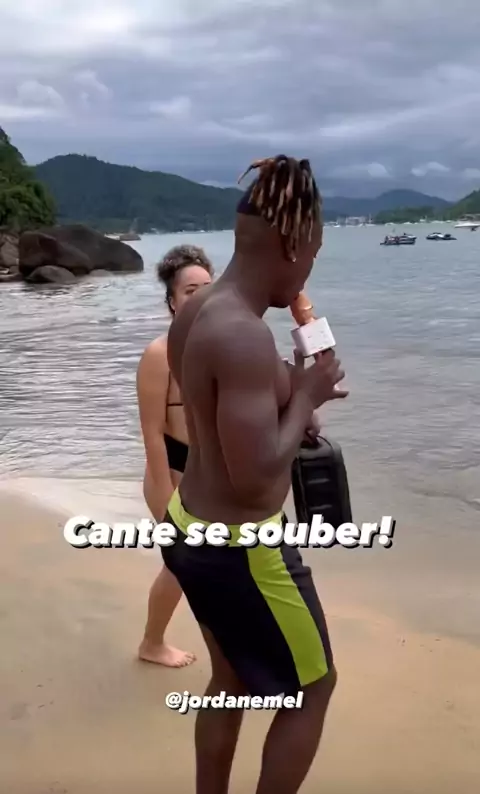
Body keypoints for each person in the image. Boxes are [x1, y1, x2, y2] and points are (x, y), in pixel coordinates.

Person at [162, 155, 348, 794]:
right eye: (313, 255)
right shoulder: (242, 334)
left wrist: (289, 400)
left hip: (188, 525)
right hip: (242, 549)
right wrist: (306, 397)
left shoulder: (200, 311)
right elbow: (255, 478)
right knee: (314, 688)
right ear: (293, 246)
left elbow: (213, 414)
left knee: (231, 680)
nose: (309, 270)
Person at [137, 245, 214, 668]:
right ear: (172, 301)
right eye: (190, 291)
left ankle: (234, 644)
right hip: (170, 471)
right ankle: (152, 643)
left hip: (208, 475)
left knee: (217, 562)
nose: (201, 297)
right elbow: (151, 434)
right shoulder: (159, 355)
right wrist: (168, 503)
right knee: (181, 564)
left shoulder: (220, 347)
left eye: (208, 288)